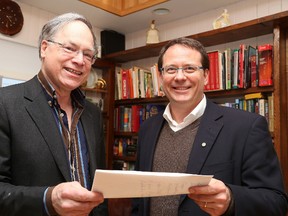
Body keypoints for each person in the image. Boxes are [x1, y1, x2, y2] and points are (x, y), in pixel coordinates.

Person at [132, 37, 288, 216]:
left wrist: (231, 199)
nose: (180, 77)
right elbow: (140, 199)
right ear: (161, 76)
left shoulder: (247, 127)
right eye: (171, 69)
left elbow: (276, 203)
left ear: (206, 75)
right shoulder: (147, 129)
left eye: (190, 68)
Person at [0, 13, 107, 216]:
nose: (79, 60)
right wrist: (48, 199)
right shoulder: (5, 103)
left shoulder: (92, 113)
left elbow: (98, 185)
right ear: (44, 48)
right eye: (70, 48)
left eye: (88, 54)